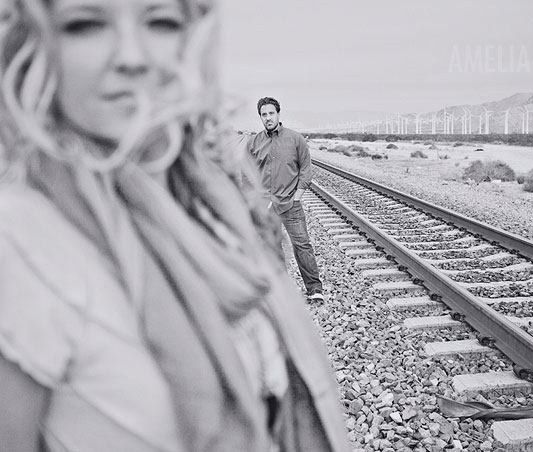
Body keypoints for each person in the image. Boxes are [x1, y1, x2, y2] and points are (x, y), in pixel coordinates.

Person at [0, 1, 350, 452]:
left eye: (161, 21)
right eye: (86, 23)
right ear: (36, 42)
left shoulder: (209, 196)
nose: (132, 55)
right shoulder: (22, 241)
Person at [249, 97, 325, 302]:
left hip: (290, 203)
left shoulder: (295, 139)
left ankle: (314, 289)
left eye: (271, 113)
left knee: (302, 245)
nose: (268, 118)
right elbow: (247, 175)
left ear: (278, 114)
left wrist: (298, 196)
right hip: (266, 204)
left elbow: (306, 169)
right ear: (260, 117)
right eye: (264, 115)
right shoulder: (254, 142)